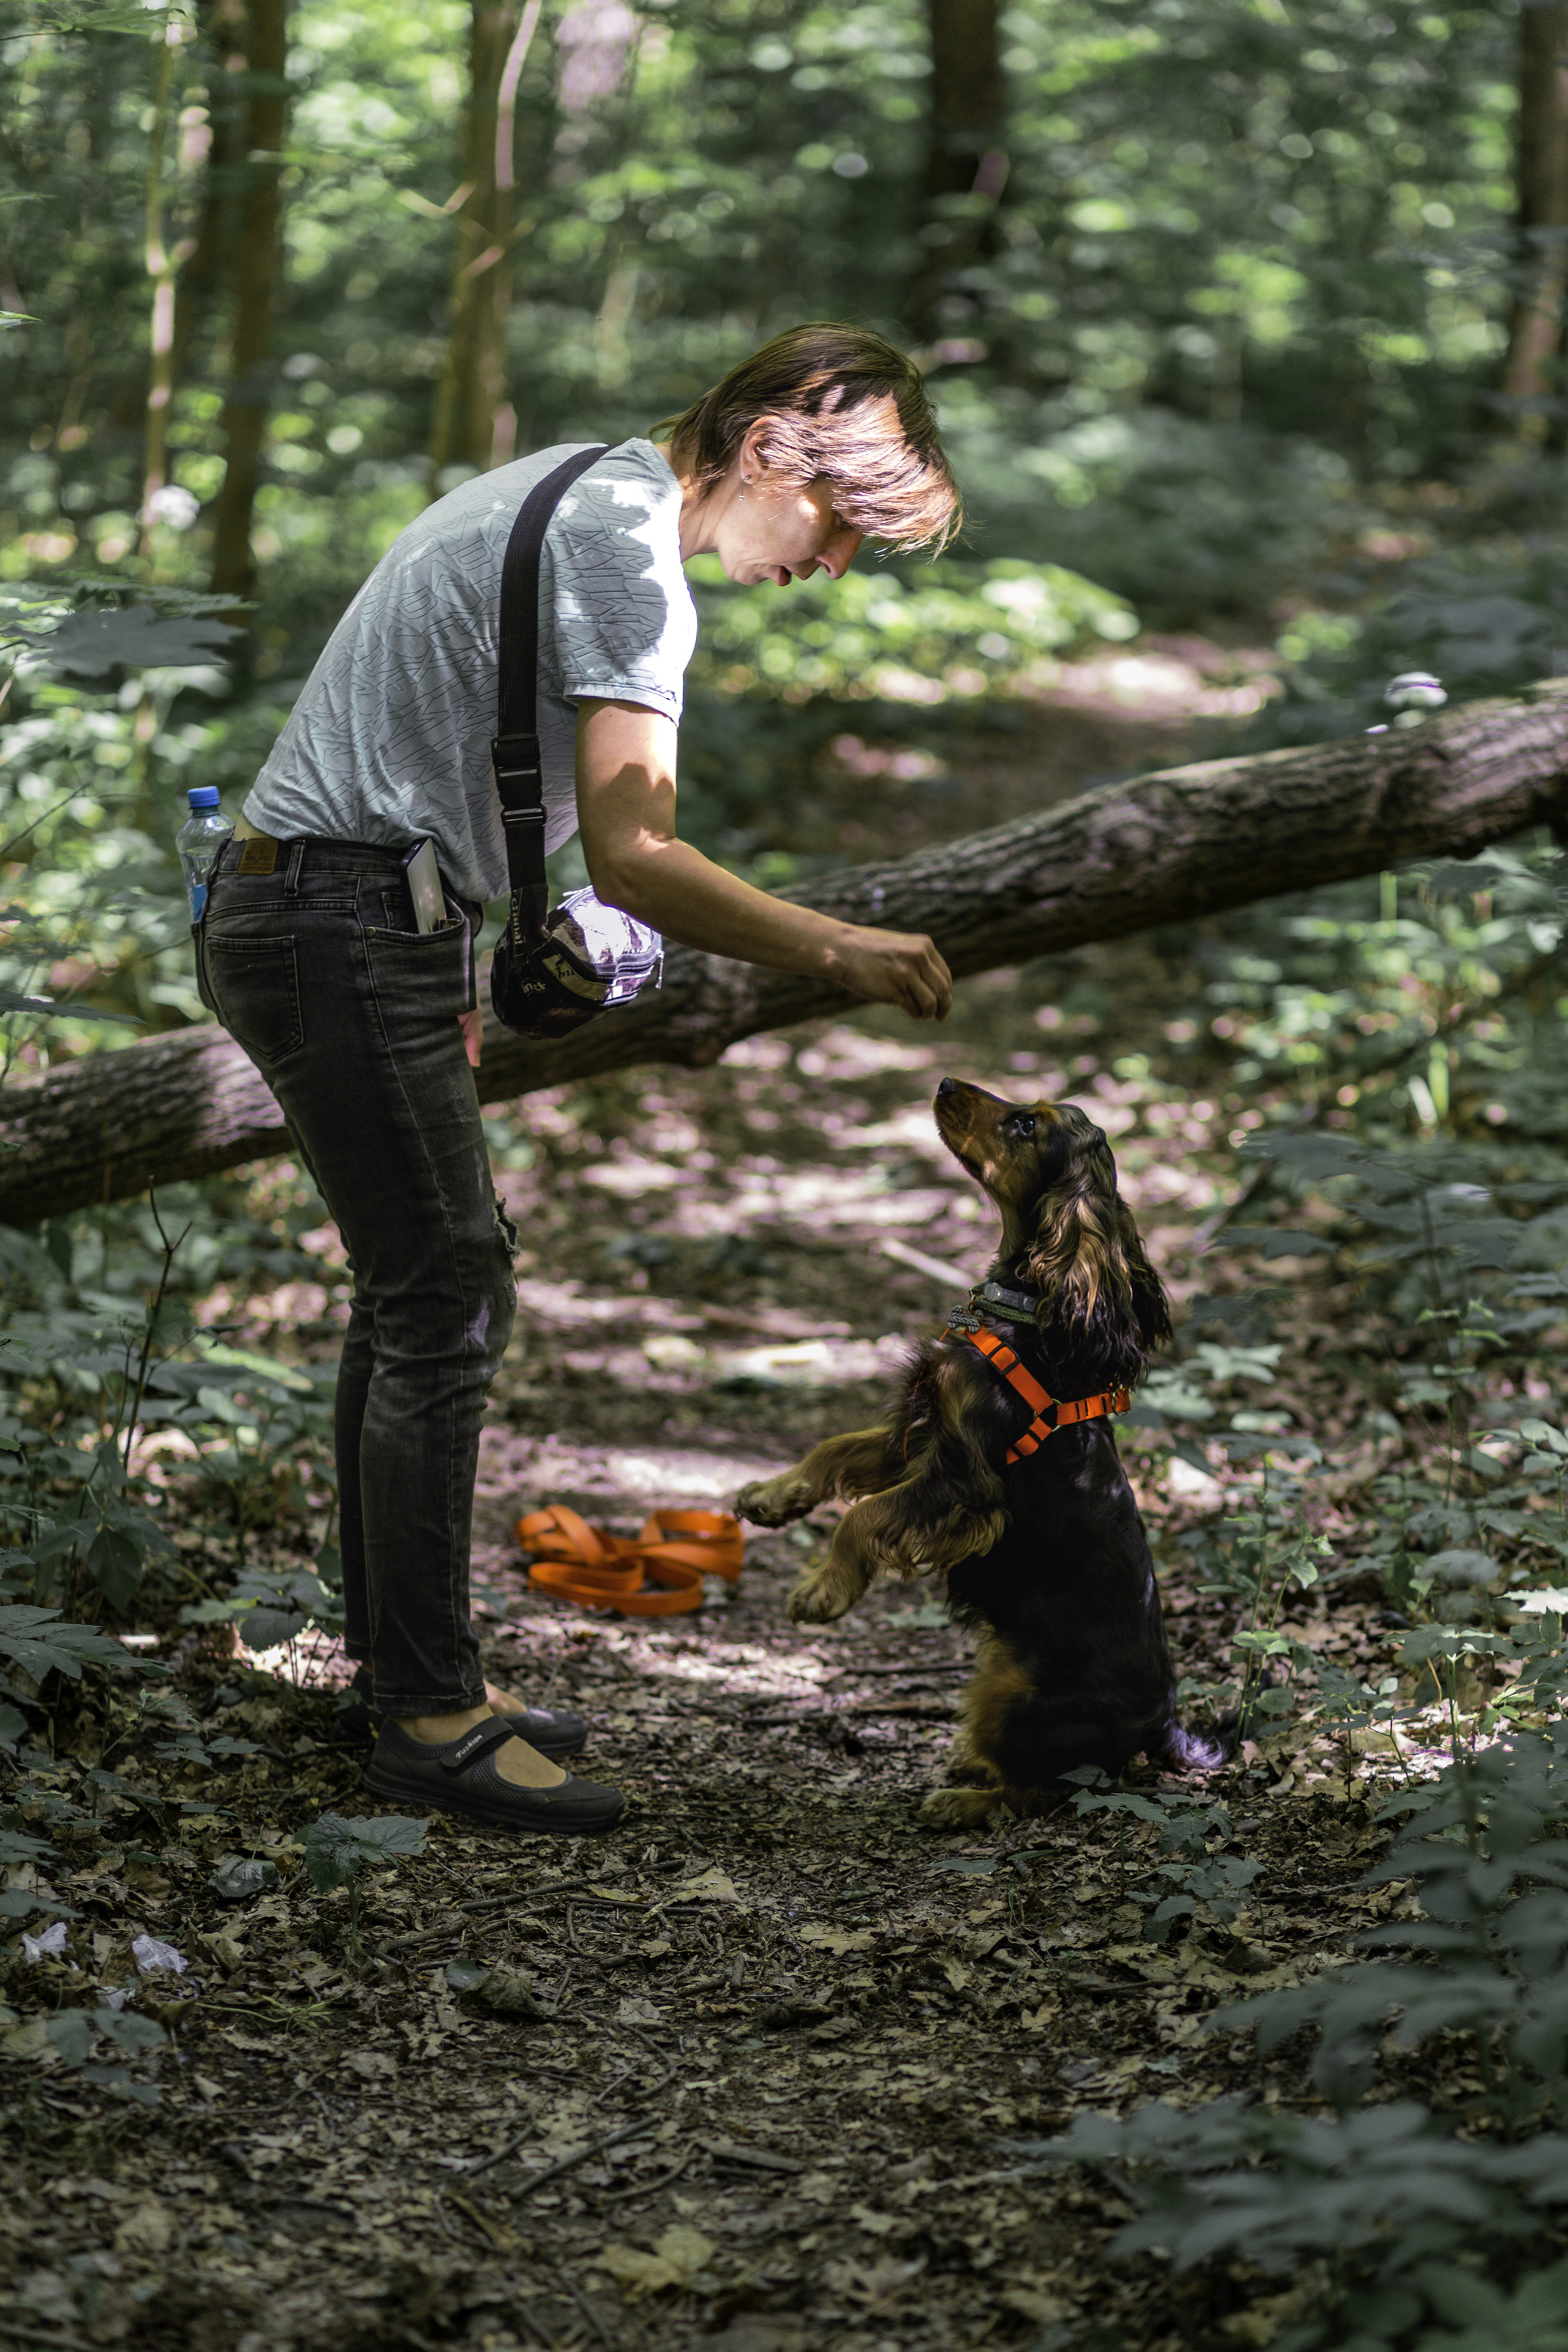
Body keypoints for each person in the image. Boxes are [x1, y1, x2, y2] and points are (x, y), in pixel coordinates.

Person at [195, 321, 961, 1835]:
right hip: (344, 921)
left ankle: (402, 1675)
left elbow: (535, 800)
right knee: (447, 1292)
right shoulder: (628, 557)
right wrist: (837, 951)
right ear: (763, 453)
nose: (832, 567)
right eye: (838, 525)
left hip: (334, 911)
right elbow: (641, 849)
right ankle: (422, 1715)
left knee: (420, 1286)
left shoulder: (578, 488)